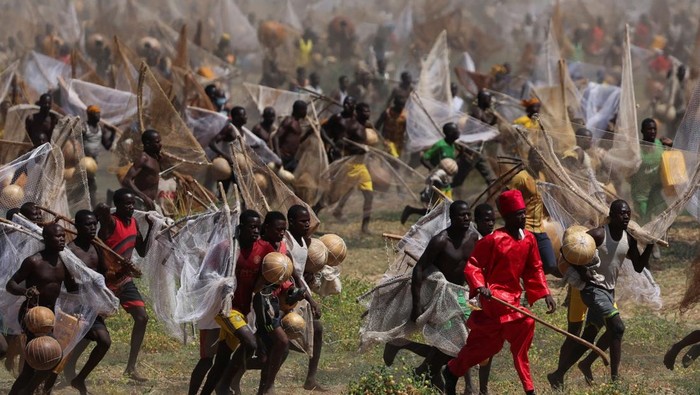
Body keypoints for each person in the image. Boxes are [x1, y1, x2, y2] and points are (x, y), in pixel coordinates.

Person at [442, 190, 556, 395]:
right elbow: (473, 265)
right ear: (507, 217)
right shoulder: (494, 240)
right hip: (494, 298)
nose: (523, 217)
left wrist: (545, 292)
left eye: (524, 213)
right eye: (518, 214)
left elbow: (535, 267)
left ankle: (452, 371)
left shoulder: (529, 239)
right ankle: (529, 389)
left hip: (511, 298)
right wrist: (480, 286)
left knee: (489, 346)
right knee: (523, 323)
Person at [548, 200, 654, 388]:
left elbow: (638, 267)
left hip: (608, 291)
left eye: (628, 213)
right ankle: (615, 380)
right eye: (622, 213)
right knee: (618, 328)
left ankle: (559, 374)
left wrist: (650, 247)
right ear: (612, 215)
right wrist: (582, 272)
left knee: (589, 337)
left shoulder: (628, 239)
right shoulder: (598, 234)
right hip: (593, 290)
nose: (626, 216)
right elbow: (568, 250)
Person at [198, 210, 267, 395]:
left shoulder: (262, 248)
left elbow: (271, 269)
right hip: (226, 309)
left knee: (221, 361)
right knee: (251, 344)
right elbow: (204, 274)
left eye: (258, 228)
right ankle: (224, 385)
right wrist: (222, 281)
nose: (255, 231)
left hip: (243, 311)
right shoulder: (226, 248)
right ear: (240, 227)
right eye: (252, 227)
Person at [6, 223, 78, 395]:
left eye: (63, 236)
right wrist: (26, 291)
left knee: (52, 358)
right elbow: (11, 284)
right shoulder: (34, 261)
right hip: (32, 315)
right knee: (38, 359)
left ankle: (28, 390)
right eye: (57, 236)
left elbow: (73, 289)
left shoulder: (64, 263)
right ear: (46, 239)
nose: (62, 239)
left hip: (50, 316)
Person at [95, 188, 153, 382]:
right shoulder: (111, 222)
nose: (131, 207)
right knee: (91, 327)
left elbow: (143, 251)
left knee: (142, 317)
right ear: (117, 206)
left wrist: (152, 227)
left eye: (132, 204)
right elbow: (102, 208)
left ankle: (130, 367)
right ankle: (67, 367)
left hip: (124, 280)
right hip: (105, 281)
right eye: (126, 204)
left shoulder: (135, 223)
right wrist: (102, 212)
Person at [63, 210, 111, 395]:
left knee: (104, 342)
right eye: (87, 225)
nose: (92, 228)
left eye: (94, 224)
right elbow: (67, 284)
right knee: (64, 348)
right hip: (73, 306)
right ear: (77, 227)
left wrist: (102, 302)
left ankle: (79, 378)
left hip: (92, 306)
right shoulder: (70, 251)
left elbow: (103, 276)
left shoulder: (97, 247)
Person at [284, 205, 324, 390]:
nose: (307, 224)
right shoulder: (287, 241)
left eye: (308, 220)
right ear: (291, 222)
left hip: (301, 290)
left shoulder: (303, 240)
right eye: (303, 221)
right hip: (289, 292)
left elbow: (301, 270)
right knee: (283, 339)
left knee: (317, 329)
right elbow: (294, 274)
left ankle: (311, 379)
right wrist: (311, 300)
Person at [508, 149, 559, 277]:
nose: (541, 160)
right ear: (530, 159)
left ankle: (529, 277)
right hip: (524, 227)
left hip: (540, 228)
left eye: (543, 157)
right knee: (521, 261)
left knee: (550, 264)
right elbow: (505, 197)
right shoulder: (521, 177)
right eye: (537, 158)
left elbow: (543, 199)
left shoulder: (542, 176)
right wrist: (511, 220)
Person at [331, 102, 374, 234]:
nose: (367, 113)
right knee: (334, 195)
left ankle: (364, 227)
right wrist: (359, 148)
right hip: (351, 165)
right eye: (364, 111)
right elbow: (341, 142)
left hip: (361, 166)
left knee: (369, 196)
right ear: (358, 112)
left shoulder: (364, 126)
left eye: (368, 111)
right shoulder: (352, 125)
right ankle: (317, 210)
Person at [630, 118, 672, 222]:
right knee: (644, 220)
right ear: (642, 131)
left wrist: (671, 146)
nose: (652, 132)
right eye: (649, 129)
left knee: (663, 217)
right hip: (640, 194)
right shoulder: (636, 149)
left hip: (656, 191)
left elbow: (671, 161)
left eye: (654, 129)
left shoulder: (661, 145)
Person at [401, 158, 458, 224]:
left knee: (440, 212)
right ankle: (411, 211)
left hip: (444, 193)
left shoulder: (443, 174)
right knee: (440, 212)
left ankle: (411, 210)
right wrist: (440, 185)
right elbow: (434, 179)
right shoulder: (441, 172)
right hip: (440, 193)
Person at [82, 105, 116, 203]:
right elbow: (76, 142)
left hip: (94, 162)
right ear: (89, 115)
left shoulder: (101, 129)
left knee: (91, 183)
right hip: (84, 161)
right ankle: (90, 204)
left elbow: (107, 146)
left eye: (99, 114)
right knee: (87, 183)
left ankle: (91, 204)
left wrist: (113, 134)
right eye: (95, 114)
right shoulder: (84, 127)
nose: (98, 117)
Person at [121, 129, 162, 211]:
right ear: (148, 144)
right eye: (157, 142)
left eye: (160, 141)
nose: (160, 145)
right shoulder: (143, 158)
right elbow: (126, 180)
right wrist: (144, 197)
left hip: (151, 202)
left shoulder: (155, 157)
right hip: (141, 203)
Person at [274, 100, 308, 172]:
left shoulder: (298, 123)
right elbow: (276, 137)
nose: (306, 112)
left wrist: (308, 134)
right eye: (304, 110)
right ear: (299, 110)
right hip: (282, 156)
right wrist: (278, 157)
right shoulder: (289, 121)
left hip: (291, 158)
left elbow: (298, 141)